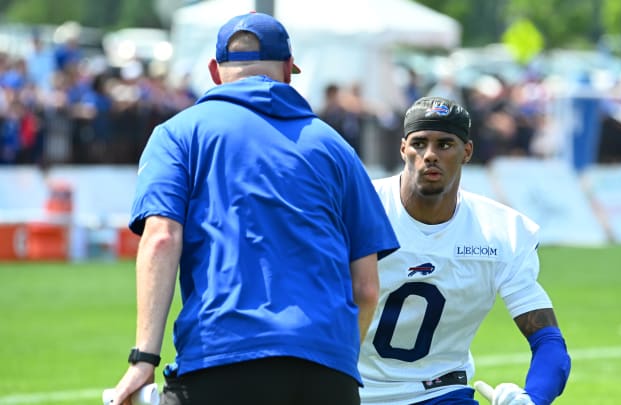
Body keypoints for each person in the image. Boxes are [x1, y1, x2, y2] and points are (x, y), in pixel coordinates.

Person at [109, 11, 399, 405]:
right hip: (327, 370)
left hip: (221, 358)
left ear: (214, 70)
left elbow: (161, 238)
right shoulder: (337, 149)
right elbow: (365, 287)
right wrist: (338, 358)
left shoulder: (177, 135)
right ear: (288, 69)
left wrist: (144, 358)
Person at [358, 96, 571, 405]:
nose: (430, 155)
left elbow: (548, 341)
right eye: (419, 143)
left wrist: (533, 398)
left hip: (439, 392)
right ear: (403, 148)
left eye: (445, 144)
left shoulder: (500, 232)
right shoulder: (357, 208)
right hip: (352, 387)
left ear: (466, 151)